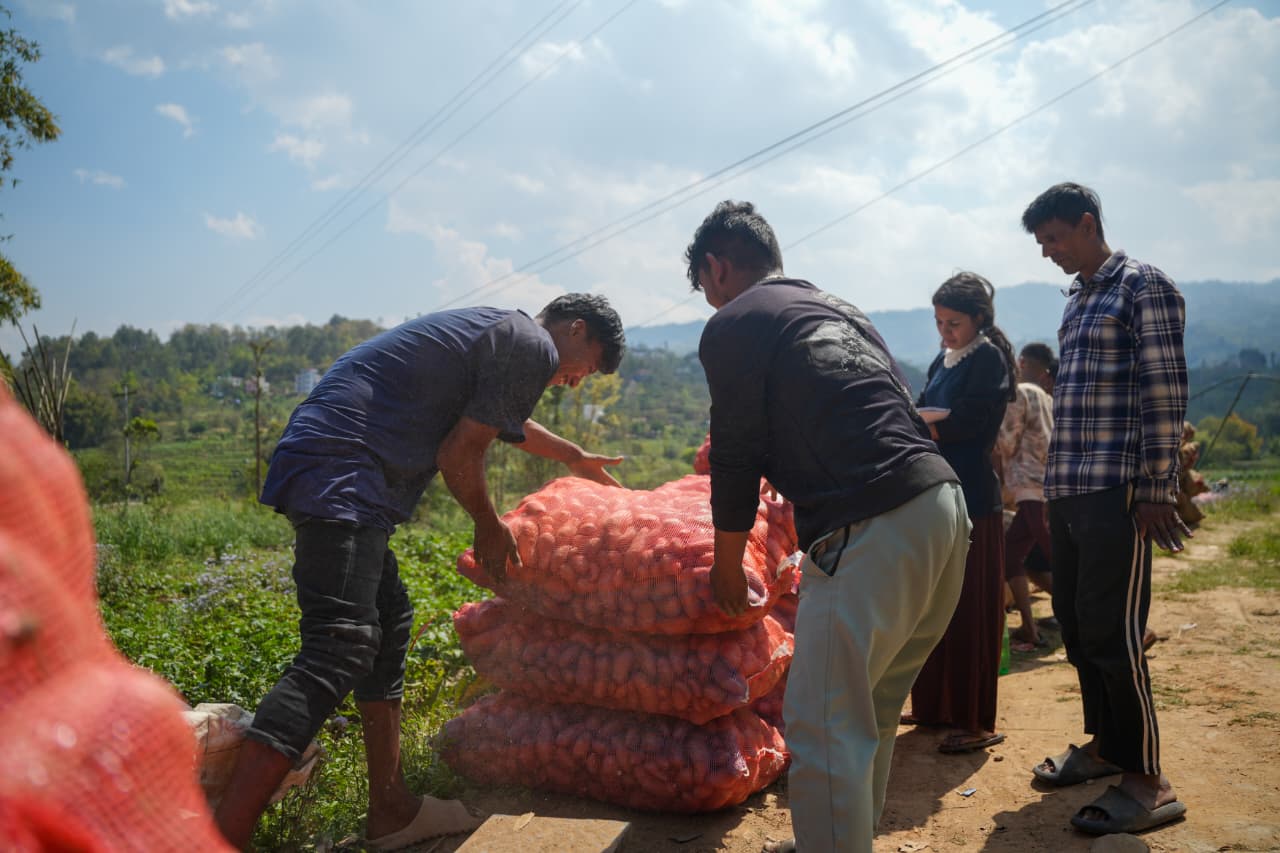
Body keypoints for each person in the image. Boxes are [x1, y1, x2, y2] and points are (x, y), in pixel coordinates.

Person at [213, 295, 627, 850]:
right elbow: (461, 451)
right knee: (338, 646)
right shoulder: (532, 344)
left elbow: (505, 422)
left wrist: (572, 455)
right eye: (588, 365)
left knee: (386, 622)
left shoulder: (502, 332)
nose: (575, 381)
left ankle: (392, 808)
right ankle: (219, 836)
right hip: (346, 466)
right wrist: (488, 523)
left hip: (339, 461)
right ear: (576, 330)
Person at [689, 200, 969, 853]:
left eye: (706, 290)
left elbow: (732, 453)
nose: (711, 303)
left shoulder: (737, 321)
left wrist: (727, 565)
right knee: (866, 712)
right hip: (941, 508)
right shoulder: (839, 308)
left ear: (718, 266)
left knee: (821, 726)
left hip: (870, 522)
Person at [1022, 182, 1189, 835]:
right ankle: (1104, 748)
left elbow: (1164, 390)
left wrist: (1155, 486)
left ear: (1089, 224)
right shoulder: (1079, 299)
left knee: (1117, 634)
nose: (1048, 252)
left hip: (1117, 486)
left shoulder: (1143, 286)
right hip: (1069, 487)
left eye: (1054, 238)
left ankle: (1148, 777)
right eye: (1041, 243)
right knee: (1077, 623)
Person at [907, 272, 1015, 755]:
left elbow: (972, 422)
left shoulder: (988, 358)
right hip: (939, 495)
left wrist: (931, 428)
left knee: (970, 608)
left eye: (953, 323)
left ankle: (974, 718)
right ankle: (934, 706)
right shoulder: (945, 359)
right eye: (939, 323)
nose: (944, 332)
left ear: (977, 319)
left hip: (973, 497)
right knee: (932, 605)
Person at [996, 343, 1057, 649]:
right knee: (1011, 556)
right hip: (1046, 485)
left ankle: (1107, 620)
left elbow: (1006, 443)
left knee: (1055, 557)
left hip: (1029, 487)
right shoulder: (1046, 397)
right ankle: (1029, 630)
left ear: (1020, 362)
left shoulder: (1019, 394)